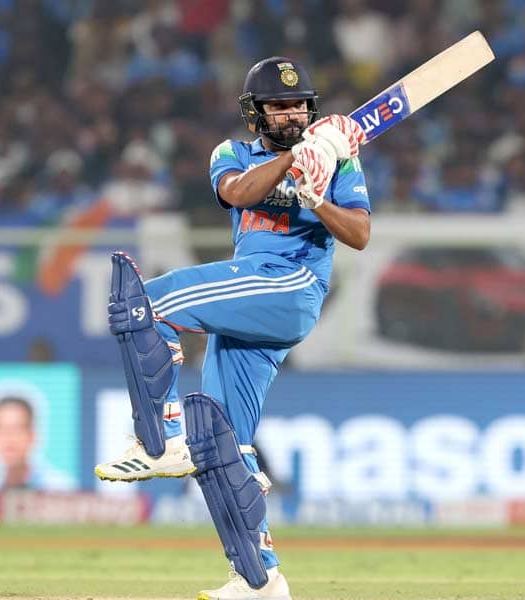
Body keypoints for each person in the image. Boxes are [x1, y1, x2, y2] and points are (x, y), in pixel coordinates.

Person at [94, 56, 370, 600]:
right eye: (278, 106)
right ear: (255, 114)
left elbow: (359, 234)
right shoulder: (232, 153)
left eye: (299, 106)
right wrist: (296, 158)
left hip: (293, 285)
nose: (292, 114)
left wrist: (317, 195)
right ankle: (259, 579)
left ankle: (160, 438)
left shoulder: (339, 160)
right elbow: (239, 193)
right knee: (219, 443)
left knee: (147, 302)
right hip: (254, 293)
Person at [0, 392, 77, 492]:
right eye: (1, 429)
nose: (9, 438)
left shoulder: (59, 488)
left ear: (32, 435)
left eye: (18, 429)